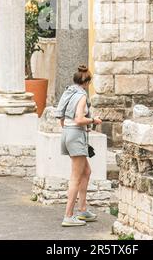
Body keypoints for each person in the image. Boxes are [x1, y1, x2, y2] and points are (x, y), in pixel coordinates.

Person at [56, 64, 102, 227]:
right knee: (75, 177)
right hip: (76, 134)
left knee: (86, 171)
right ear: (87, 83)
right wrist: (93, 120)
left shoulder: (69, 92)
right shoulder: (81, 96)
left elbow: (61, 119)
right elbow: (79, 119)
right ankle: (68, 215)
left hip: (68, 134)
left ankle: (82, 210)